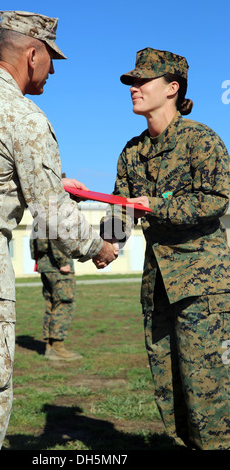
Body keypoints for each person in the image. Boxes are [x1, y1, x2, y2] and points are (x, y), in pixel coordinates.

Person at [0, 11, 118, 450]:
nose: (53, 70)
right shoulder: (23, 115)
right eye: (52, 58)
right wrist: (97, 246)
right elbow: (52, 214)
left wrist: (51, 180)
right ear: (32, 54)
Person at [101, 47, 230, 450]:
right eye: (132, 82)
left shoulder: (200, 139)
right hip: (158, 287)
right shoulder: (131, 151)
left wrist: (153, 206)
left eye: (143, 81)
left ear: (172, 88)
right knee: (168, 384)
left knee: (209, 392)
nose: (134, 88)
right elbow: (121, 211)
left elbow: (216, 198)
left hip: (202, 287)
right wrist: (103, 245)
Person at [30, 235, 82, 361]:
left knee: (51, 304)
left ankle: (50, 346)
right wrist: (63, 261)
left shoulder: (39, 216)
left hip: (45, 264)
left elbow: (34, 243)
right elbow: (59, 236)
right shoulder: (55, 215)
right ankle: (57, 347)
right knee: (64, 303)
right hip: (57, 266)